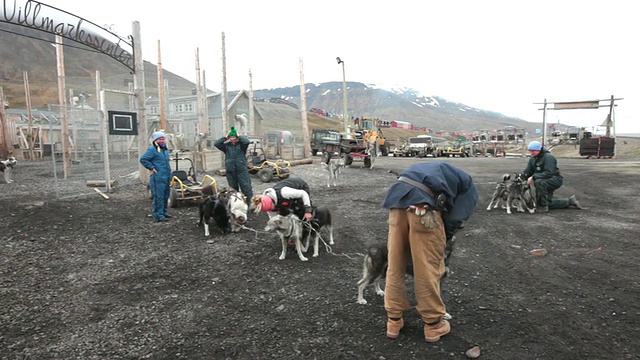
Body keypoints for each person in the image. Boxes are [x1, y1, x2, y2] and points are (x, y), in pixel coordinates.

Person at [382, 161, 478, 343]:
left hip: (397, 202)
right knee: (427, 267)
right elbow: (457, 216)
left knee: (395, 264)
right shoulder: (469, 187)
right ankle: (433, 325)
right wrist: (445, 235)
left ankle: (393, 321)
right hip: (424, 209)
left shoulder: (436, 170)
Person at [521, 141, 581, 212]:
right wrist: (522, 176)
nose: (531, 153)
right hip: (544, 180)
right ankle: (569, 201)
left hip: (554, 179)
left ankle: (543, 206)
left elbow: (549, 173)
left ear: (539, 149)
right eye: (530, 151)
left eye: (533, 151)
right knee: (548, 202)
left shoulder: (549, 157)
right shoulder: (533, 159)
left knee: (539, 182)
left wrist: (533, 177)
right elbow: (528, 170)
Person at [140, 131, 172, 222]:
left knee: (166, 195)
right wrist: (151, 167)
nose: (162, 141)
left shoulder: (164, 149)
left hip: (166, 176)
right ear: (155, 140)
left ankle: (164, 212)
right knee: (159, 196)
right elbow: (143, 159)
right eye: (160, 139)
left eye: (163, 139)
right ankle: (158, 215)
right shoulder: (152, 149)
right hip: (157, 177)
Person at [214, 126, 253, 201]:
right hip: (230, 171)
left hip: (241, 170)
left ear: (236, 137)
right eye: (230, 137)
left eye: (234, 137)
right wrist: (225, 137)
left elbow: (247, 141)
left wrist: (239, 135)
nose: (232, 139)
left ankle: (249, 205)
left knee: (246, 187)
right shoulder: (226, 146)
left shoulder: (242, 145)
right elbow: (216, 144)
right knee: (233, 190)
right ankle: (235, 205)